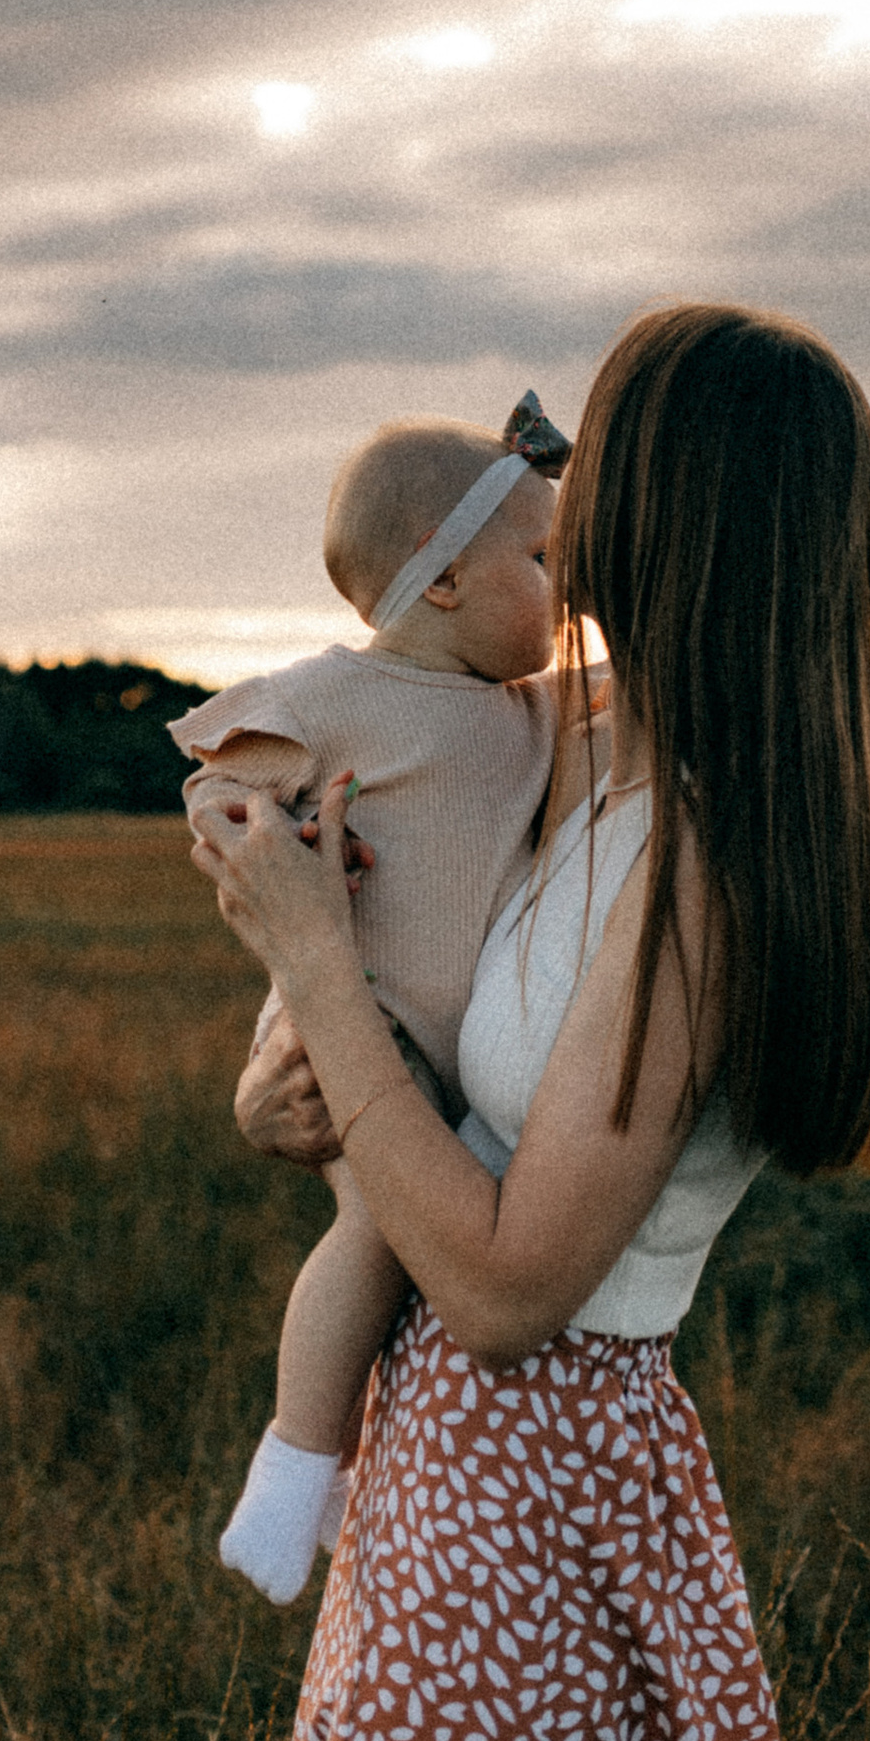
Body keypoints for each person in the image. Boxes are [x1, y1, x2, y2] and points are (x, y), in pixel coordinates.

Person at [189, 300, 870, 1741]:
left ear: (680, 509)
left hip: (540, 1481)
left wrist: (310, 966)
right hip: (447, 1463)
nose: (559, 494)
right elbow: (399, 1006)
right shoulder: (563, 744)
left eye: (596, 453)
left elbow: (514, 1290)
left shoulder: (705, 866)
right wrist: (288, 1080)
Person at [171, 389, 579, 1603]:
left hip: (456, 1051)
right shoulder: (333, 695)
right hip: (362, 1020)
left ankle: (347, 1477)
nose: (565, 592)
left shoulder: (533, 709)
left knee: (425, 1247)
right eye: (544, 561)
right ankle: (293, 1469)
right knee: (376, 1233)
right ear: (440, 579)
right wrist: (271, 838)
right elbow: (220, 778)